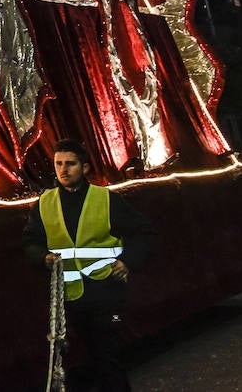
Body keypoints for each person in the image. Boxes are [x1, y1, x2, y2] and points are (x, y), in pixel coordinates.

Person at [21, 139, 156, 392]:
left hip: (106, 291)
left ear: (84, 168)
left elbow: (143, 233)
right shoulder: (44, 203)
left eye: (70, 164)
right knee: (89, 362)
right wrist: (42, 258)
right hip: (69, 297)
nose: (63, 170)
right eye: (58, 164)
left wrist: (128, 261)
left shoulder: (105, 199)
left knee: (108, 359)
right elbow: (30, 242)